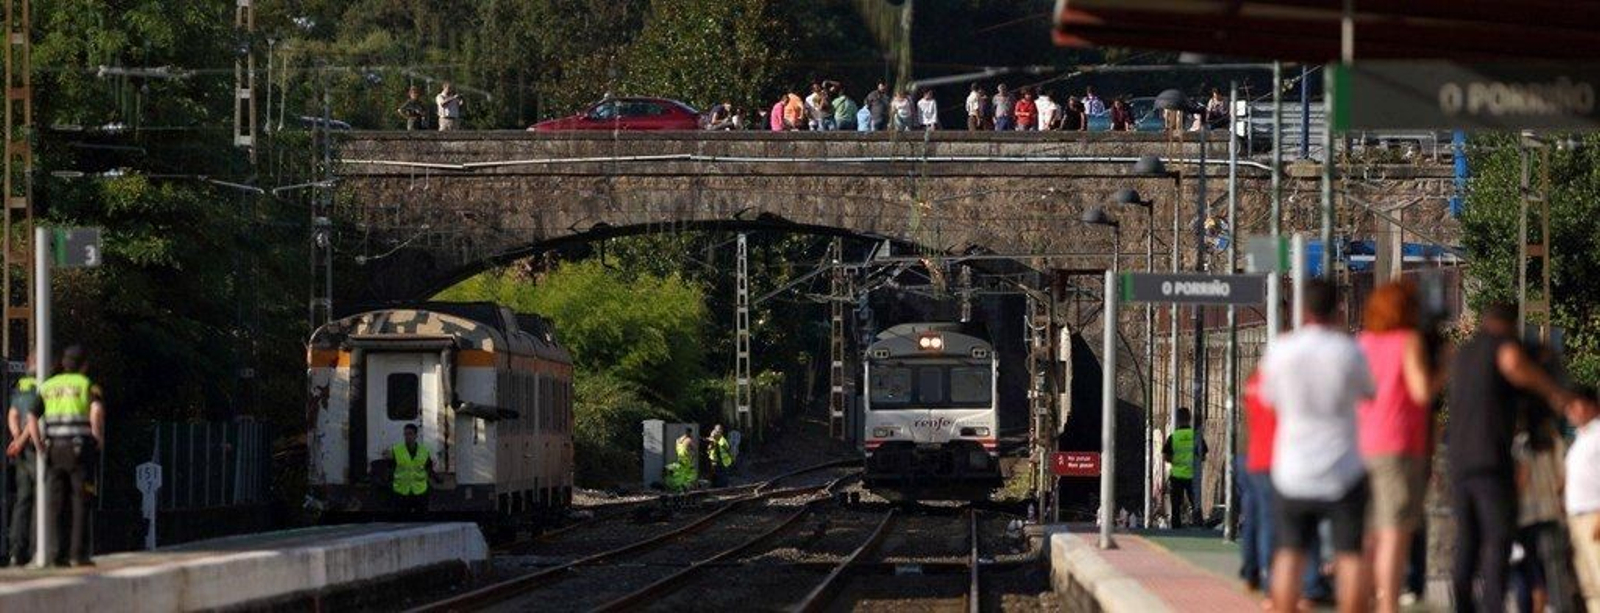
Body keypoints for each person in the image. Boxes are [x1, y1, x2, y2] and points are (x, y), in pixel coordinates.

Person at [1446, 303, 1578, 613]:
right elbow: (1513, 364)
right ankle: (1493, 605)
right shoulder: (1501, 346)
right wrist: (1554, 392)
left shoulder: (1463, 354)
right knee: (1497, 538)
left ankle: (1462, 606)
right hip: (1490, 458)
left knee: (1467, 538)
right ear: (1509, 325)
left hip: (1459, 459)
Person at [1260, 280, 1375, 613]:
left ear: (1302, 310)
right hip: (1343, 470)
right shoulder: (1349, 351)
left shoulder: (1281, 350)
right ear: (1338, 308)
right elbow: (1369, 393)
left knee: (1289, 554)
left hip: (1293, 469)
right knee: (1349, 555)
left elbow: (1269, 399)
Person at [1355, 281, 1440, 613]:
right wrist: (1444, 367)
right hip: (1399, 444)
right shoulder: (1408, 341)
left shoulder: (1363, 343)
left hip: (1364, 444)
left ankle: (1366, 599)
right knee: (1395, 531)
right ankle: (1389, 604)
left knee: (1370, 533)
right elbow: (1421, 392)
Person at [36, 346, 104, 567]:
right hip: (78, 447)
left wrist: (40, 445)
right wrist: (97, 436)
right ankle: (78, 554)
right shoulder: (86, 385)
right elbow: (96, 410)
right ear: (84, 365)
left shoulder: (48, 386)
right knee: (80, 499)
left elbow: (31, 415)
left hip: (54, 448)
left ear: (63, 363)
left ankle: (57, 554)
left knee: (56, 502)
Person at [1565, 387, 1600, 612]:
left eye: (1575, 404)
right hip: (1577, 519)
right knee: (1589, 585)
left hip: (1594, 515)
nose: (1570, 411)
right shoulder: (1580, 438)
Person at [4, 357, 38, 566]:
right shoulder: (45, 382)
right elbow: (35, 418)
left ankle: (16, 551)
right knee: (41, 499)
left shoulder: (20, 384)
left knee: (22, 499)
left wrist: (16, 439)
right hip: (38, 446)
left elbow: (13, 414)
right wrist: (24, 439)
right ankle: (37, 549)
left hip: (21, 449)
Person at [1161, 407, 1206, 528]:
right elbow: (1203, 456)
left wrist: (1177, 461)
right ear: (1190, 419)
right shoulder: (1196, 436)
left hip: (1177, 476)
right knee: (1195, 504)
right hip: (1193, 476)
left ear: (1178, 420)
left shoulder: (1173, 437)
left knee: (1176, 506)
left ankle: (1176, 528)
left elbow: (1166, 457)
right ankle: (1199, 526)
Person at [382, 423, 433, 515]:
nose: (407, 437)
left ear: (416, 435)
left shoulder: (424, 451)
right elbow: (390, 469)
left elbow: (429, 469)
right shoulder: (397, 450)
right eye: (405, 434)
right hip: (401, 492)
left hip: (419, 492)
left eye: (410, 434)